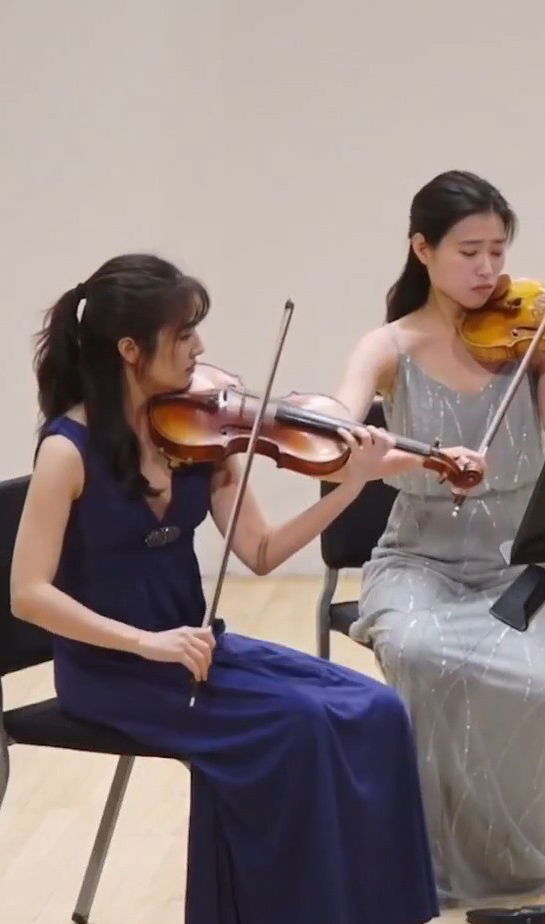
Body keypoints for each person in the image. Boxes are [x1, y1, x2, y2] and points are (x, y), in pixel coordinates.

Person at [10, 253, 439, 924]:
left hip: (198, 652)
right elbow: (28, 594)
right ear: (130, 349)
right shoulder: (67, 450)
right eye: (182, 334)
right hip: (114, 671)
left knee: (378, 710)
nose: (200, 348)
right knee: (297, 729)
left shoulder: (198, 436)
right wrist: (147, 643)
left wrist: (354, 484)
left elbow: (262, 552)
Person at [332, 169, 545, 907]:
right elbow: (347, 439)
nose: (487, 271)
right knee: (419, 655)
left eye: (497, 253)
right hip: (418, 562)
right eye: (468, 252)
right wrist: (424, 458)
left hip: (520, 565)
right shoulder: (387, 346)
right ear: (422, 249)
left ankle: (525, 855)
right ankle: (432, 857)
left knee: (544, 691)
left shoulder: (533, 344)